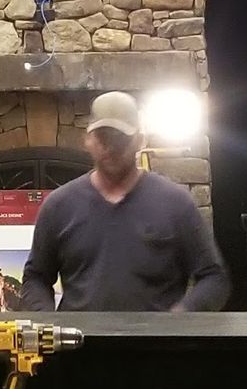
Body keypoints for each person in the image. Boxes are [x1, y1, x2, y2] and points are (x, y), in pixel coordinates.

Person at [20, 92, 229, 312]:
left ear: (140, 140)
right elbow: (36, 278)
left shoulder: (175, 203)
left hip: (156, 335)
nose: (111, 148)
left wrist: (181, 317)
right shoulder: (59, 206)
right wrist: (49, 322)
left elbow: (214, 278)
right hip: (79, 335)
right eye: (103, 138)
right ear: (88, 140)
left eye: (121, 139)